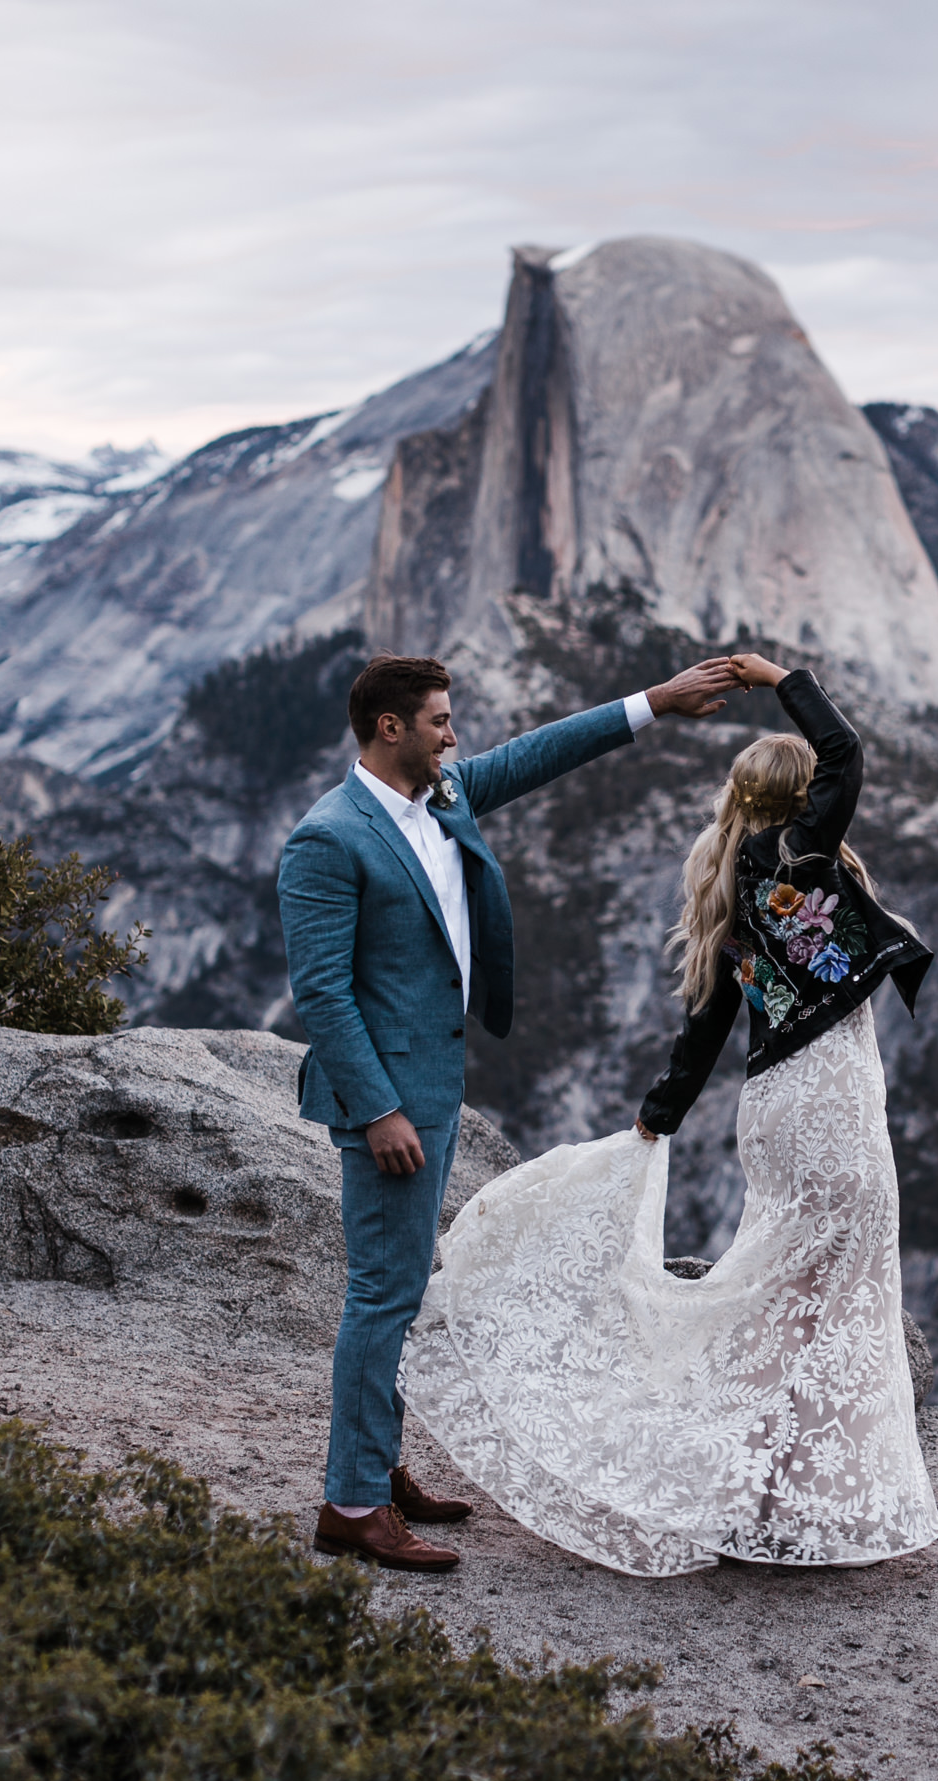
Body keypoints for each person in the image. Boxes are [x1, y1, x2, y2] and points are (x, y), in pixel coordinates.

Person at [397, 654, 938, 1577]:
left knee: (783, 1295)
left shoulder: (733, 891)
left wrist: (657, 1120)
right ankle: (786, 1494)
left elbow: (706, 1029)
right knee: (827, 1295)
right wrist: (785, 678)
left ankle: (758, 1483)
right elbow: (845, 749)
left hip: (769, 1108)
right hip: (828, 1103)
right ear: (801, 803)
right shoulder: (797, 857)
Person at [277, 648, 737, 1573]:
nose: (455, 734)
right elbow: (321, 994)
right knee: (382, 1295)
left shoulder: (440, 797)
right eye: (440, 720)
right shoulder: (327, 839)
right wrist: (378, 1112)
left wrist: (657, 700)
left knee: (400, 1290)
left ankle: (376, 1464)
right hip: (392, 1105)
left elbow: (538, 754)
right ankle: (353, 1503)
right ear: (390, 728)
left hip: (434, 1085)